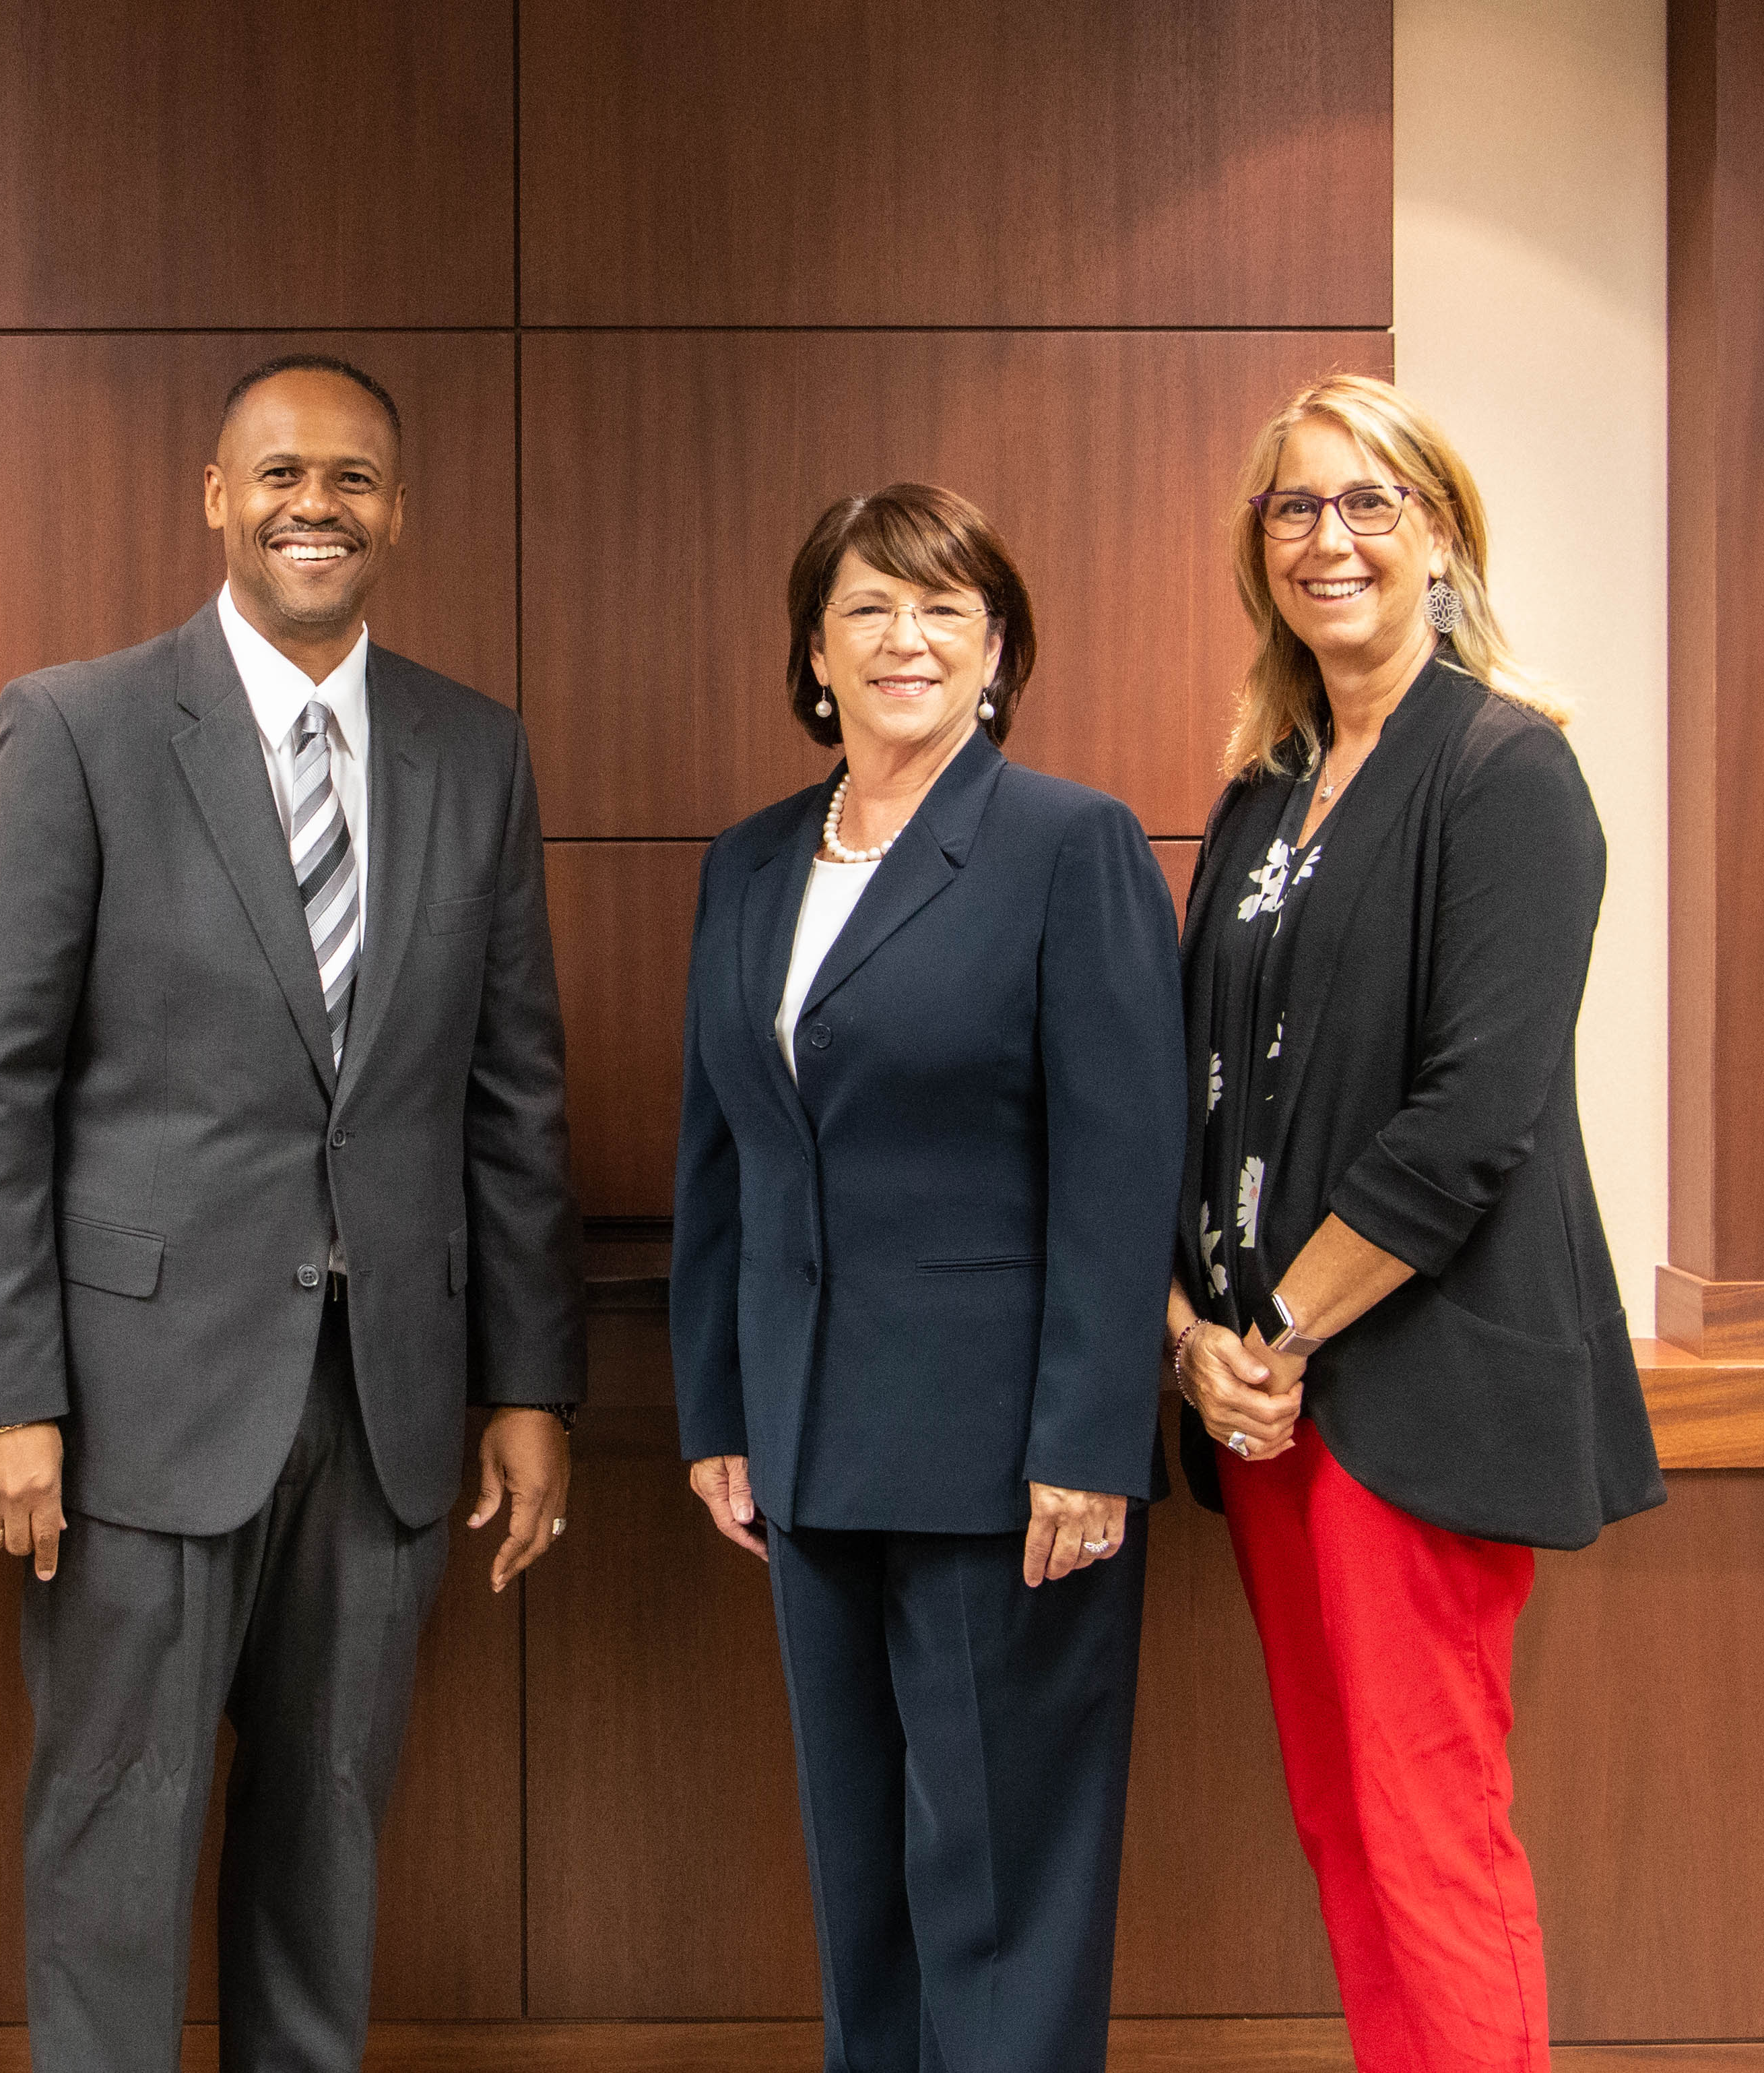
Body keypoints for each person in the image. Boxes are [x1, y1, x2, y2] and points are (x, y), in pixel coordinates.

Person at [0, 352, 585, 2073]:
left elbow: (512, 1099)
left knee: (331, 1842)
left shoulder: (474, 749)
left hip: (386, 1414)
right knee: (112, 1845)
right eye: (279, 474)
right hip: (136, 1409)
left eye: (353, 479)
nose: (315, 505)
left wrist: (529, 1388)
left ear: (397, 515)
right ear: (214, 497)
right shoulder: (77, 727)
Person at [1167, 373, 1665, 2072]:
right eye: (1297, 507)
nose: (1333, 539)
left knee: (1431, 1830)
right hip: (1262, 1399)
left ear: (1441, 532)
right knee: (1338, 1819)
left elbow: (1473, 1124)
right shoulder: (1265, 794)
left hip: (1412, 1386)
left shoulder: (1507, 770)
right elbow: (1204, 1082)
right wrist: (1202, 1342)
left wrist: (1278, 1333)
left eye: (1372, 501)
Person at [672, 484, 1187, 2073]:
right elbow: (721, 1157)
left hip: (1004, 1463)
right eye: (869, 608)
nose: (907, 639)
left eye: (945, 609)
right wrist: (716, 1411)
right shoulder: (752, 862)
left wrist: (1091, 1440)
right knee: (864, 1875)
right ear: (813, 653)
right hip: (809, 1446)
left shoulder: (1067, 845)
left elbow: (1125, 1164)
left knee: (1000, 1880)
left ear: (998, 649)